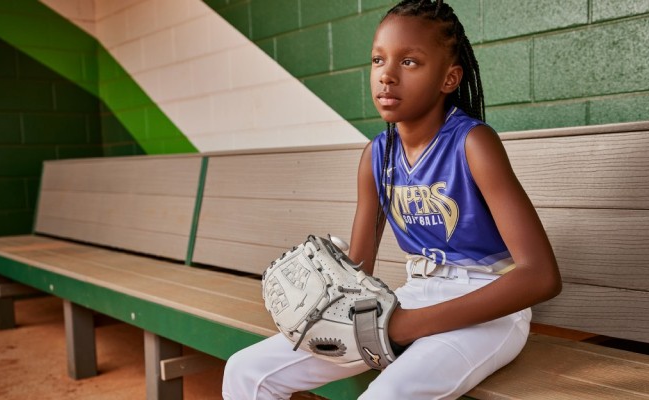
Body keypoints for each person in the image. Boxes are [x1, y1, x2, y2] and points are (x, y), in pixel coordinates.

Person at [222, 1, 561, 398]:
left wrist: (406, 326)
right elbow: (359, 268)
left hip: (488, 310)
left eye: (410, 62)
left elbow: (541, 276)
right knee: (246, 371)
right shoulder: (376, 156)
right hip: (409, 298)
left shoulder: (473, 144)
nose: (387, 75)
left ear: (449, 78)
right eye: (378, 60)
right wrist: (321, 288)